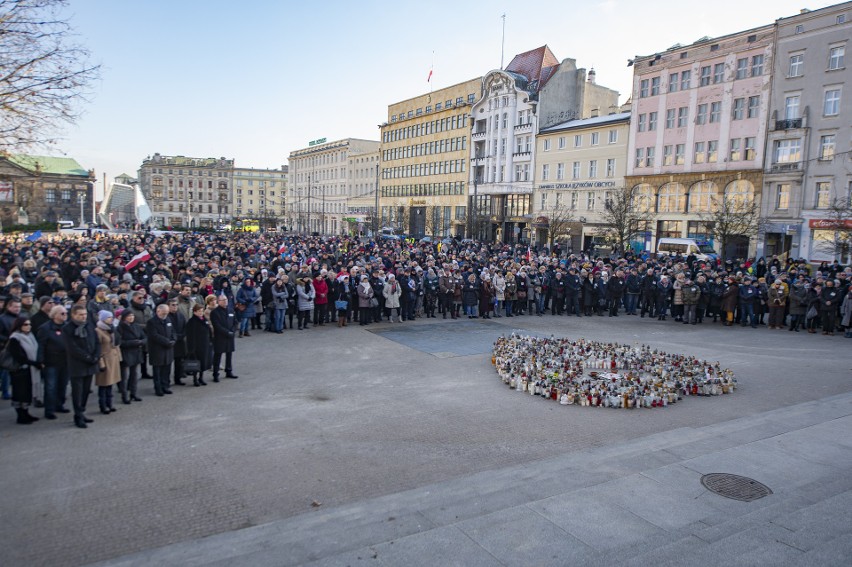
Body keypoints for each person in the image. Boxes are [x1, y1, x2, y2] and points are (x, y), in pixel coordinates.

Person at [62, 304, 101, 429]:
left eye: (85, 314)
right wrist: (88, 358)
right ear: (73, 315)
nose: (84, 317)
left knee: (86, 390)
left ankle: (82, 411)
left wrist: (96, 356)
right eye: (81, 315)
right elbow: (72, 348)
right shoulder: (67, 329)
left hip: (91, 363)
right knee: (77, 392)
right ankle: (78, 415)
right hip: (77, 365)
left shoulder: (89, 325)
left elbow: (96, 342)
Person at [36, 305, 70, 419]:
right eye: (62, 313)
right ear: (54, 315)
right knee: (51, 386)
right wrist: (40, 360)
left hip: (65, 361)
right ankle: (49, 410)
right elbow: (41, 345)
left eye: (66, 313)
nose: (65, 315)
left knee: (63, 385)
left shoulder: (67, 326)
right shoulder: (45, 328)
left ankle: (59, 405)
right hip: (51, 361)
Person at [7, 317, 42, 424]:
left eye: (29, 324)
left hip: (29, 369)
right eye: (25, 325)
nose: (28, 327)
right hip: (19, 370)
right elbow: (19, 357)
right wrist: (34, 363)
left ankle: (26, 413)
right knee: (20, 393)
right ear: (19, 326)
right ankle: (20, 416)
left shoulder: (30, 335)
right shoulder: (14, 338)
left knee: (27, 392)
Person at [146, 304, 176, 396]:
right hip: (157, 350)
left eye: (166, 313)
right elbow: (154, 335)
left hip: (168, 349)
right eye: (163, 313)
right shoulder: (151, 322)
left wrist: (173, 339)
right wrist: (166, 341)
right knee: (158, 371)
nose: (165, 315)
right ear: (158, 311)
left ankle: (165, 386)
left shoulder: (168, 319)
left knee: (167, 369)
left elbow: (172, 331)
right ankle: (158, 388)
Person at [94, 311, 121, 414]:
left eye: (111, 317)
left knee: (110, 383)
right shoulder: (98, 330)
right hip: (105, 359)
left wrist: (119, 357)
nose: (111, 319)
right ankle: (103, 405)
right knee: (104, 384)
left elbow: (116, 344)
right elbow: (98, 348)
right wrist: (100, 362)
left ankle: (110, 403)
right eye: (109, 317)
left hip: (113, 358)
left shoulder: (111, 329)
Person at [117, 309, 145, 403]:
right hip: (126, 352)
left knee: (134, 374)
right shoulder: (120, 327)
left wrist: (141, 342)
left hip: (136, 351)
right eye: (129, 316)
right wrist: (132, 343)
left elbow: (144, 337)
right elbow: (119, 342)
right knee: (124, 376)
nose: (131, 317)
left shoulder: (136, 326)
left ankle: (133, 393)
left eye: (132, 316)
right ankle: (124, 396)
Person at [210, 294, 238, 381]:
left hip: (230, 336)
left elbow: (235, 322)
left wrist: (233, 331)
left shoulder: (230, 310)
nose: (225, 301)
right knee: (218, 355)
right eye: (223, 300)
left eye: (226, 299)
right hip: (220, 337)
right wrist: (227, 332)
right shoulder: (215, 312)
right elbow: (217, 325)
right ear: (219, 301)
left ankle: (229, 371)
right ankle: (215, 374)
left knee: (229, 354)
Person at [185, 303, 213, 386]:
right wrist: (191, 348)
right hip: (197, 346)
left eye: (202, 311)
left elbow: (209, 330)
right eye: (199, 311)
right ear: (194, 312)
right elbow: (190, 336)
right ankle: (195, 379)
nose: (201, 313)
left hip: (205, 344)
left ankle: (201, 377)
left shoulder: (204, 319)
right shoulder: (192, 322)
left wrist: (210, 340)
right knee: (196, 364)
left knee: (204, 363)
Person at [167, 298, 188, 386]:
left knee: (179, 362)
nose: (175, 306)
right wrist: (175, 337)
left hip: (180, 342)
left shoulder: (180, 315)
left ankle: (177, 379)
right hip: (170, 342)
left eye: (176, 305)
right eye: (173, 305)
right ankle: (166, 381)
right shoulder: (166, 316)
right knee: (168, 363)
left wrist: (182, 335)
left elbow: (185, 326)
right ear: (168, 306)